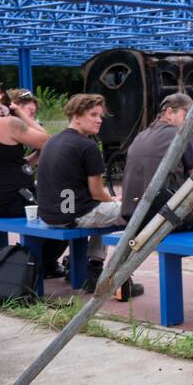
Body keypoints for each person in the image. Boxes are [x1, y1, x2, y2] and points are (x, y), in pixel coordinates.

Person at [122, 93, 193, 298]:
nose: (189, 122)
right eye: (187, 115)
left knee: (188, 201)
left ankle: (123, 277)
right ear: (169, 112)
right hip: (161, 219)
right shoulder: (181, 135)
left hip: (133, 217)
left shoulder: (140, 136)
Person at [36, 94, 122, 291]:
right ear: (76, 115)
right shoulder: (88, 146)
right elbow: (97, 192)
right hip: (74, 215)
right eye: (93, 115)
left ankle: (85, 265)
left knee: (107, 212)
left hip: (49, 215)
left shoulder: (52, 141)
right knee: (132, 212)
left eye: (100, 116)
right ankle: (100, 269)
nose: (99, 120)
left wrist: (109, 202)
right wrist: (114, 201)